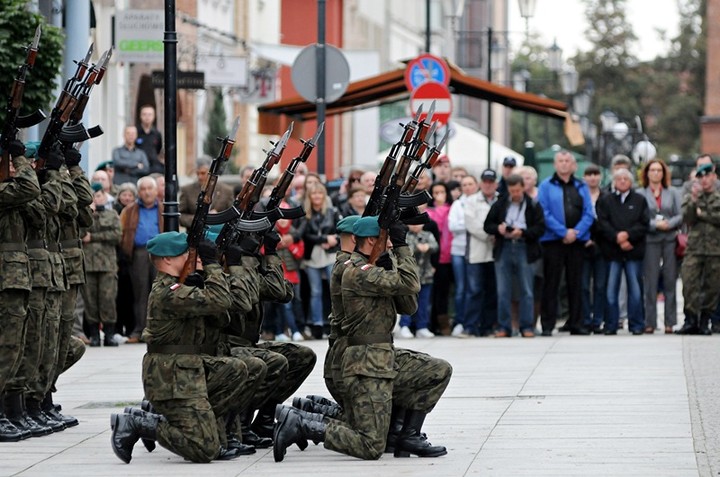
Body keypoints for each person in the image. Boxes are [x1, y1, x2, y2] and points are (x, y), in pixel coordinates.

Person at [273, 216, 451, 461]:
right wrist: (402, 248)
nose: (390, 245)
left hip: (383, 357)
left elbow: (408, 303)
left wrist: (392, 263)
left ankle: (406, 435)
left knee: (437, 370)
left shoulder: (375, 267)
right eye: (387, 240)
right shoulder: (356, 272)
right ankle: (303, 424)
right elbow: (411, 282)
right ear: (371, 240)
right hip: (366, 365)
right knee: (370, 444)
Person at [110, 232, 250, 463]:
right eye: (184, 253)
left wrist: (204, 279)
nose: (189, 256)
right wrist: (213, 266)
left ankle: (199, 423)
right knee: (205, 450)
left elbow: (223, 316)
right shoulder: (167, 292)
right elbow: (220, 300)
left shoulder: (180, 286)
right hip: (169, 377)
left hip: (187, 370)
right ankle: (141, 423)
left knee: (236, 369)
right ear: (166, 260)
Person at [0, 140, 41, 441]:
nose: (16, 168)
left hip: (15, 276)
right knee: (8, 346)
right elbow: (30, 189)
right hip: (6, 276)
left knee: (16, 346)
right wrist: (20, 159)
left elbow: (39, 214)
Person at [537, 149, 595, 336]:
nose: (563, 164)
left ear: (573, 165)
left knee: (575, 283)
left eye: (567, 161)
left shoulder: (581, 186)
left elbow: (589, 213)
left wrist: (576, 233)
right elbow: (544, 212)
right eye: (560, 161)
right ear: (555, 165)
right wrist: (563, 232)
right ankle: (547, 324)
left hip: (576, 242)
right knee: (551, 283)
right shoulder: (545, 185)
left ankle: (576, 323)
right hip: (553, 241)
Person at [484, 174, 545, 338]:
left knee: (526, 289)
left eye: (518, 190)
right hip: (504, 247)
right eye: (513, 191)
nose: (516, 193)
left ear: (523, 188)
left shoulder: (532, 204)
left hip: (524, 247)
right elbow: (487, 225)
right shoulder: (501, 203)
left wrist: (523, 232)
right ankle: (504, 326)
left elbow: (540, 228)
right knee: (503, 290)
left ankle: (527, 326)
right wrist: (499, 229)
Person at [596, 168, 649, 335]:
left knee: (635, 290)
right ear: (614, 182)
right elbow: (602, 223)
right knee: (611, 290)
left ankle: (637, 324)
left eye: (626, 178)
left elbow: (644, 223)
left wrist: (628, 236)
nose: (623, 181)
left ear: (631, 182)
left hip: (633, 250)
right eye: (620, 179)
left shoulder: (640, 200)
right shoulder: (606, 200)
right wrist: (617, 237)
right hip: (613, 252)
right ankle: (611, 324)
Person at [637, 159, 682, 334]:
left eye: (659, 170)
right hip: (650, 240)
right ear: (647, 173)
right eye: (652, 170)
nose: (656, 173)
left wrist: (669, 224)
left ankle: (670, 322)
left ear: (664, 173)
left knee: (670, 280)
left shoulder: (672, 192)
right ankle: (650, 322)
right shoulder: (641, 193)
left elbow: (681, 214)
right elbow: (639, 217)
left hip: (670, 239)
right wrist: (655, 225)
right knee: (650, 282)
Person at [677, 163, 720, 335]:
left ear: (713, 177)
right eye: (700, 177)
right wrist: (695, 203)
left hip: (715, 249)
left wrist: (704, 215)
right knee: (689, 284)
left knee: (712, 287)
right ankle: (691, 320)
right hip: (694, 248)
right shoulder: (691, 197)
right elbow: (687, 218)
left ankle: (705, 320)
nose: (704, 180)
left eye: (707, 176)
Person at [119, 176, 163, 342]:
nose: (146, 192)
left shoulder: (164, 209)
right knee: (140, 293)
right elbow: (121, 232)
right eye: (143, 189)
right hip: (138, 253)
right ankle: (139, 330)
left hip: (160, 253)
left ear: (156, 190)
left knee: (159, 292)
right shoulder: (129, 210)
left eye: (149, 188)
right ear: (139, 192)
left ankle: (157, 330)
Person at [80, 183, 122, 346]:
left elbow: (117, 235)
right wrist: (89, 211)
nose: (96, 199)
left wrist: (94, 237)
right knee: (90, 300)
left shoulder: (112, 214)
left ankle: (109, 334)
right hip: (89, 263)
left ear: (104, 196)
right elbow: (81, 233)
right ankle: (94, 335)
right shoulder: (84, 215)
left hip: (107, 263)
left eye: (98, 196)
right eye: (93, 197)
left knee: (108, 299)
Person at [298, 183, 341, 339]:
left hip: (330, 254)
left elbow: (340, 230)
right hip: (312, 256)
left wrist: (333, 239)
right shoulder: (305, 214)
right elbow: (304, 235)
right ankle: (316, 323)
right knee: (315, 291)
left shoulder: (332, 212)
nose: (317, 196)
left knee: (333, 288)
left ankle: (334, 322)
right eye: (313, 194)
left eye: (320, 193)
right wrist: (322, 238)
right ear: (309, 197)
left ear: (324, 196)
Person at [464, 170, 499, 336]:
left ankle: (488, 326)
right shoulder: (471, 201)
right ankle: (470, 326)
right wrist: (491, 234)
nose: (488, 184)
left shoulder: (501, 199)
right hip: (477, 253)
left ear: (496, 183)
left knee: (492, 291)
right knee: (474, 291)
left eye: (491, 181)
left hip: (496, 252)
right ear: (480, 183)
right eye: (485, 181)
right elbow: (472, 225)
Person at [580, 164, 608, 334]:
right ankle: (585, 319)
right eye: (589, 174)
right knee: (583, 285)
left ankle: (598, 320)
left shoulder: (606, 197)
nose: (592, 178)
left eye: (595, 174)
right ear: (584, 177)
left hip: (601, 245)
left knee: (600, 285)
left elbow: (607, 221)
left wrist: (596, 240)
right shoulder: (580, 195)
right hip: (582, 244)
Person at [398, 223, 439, 338]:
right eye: (412, 223)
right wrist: (417, 247)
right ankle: (404, 325)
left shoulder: (427, 234)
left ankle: (422, 326)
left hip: (426, 274)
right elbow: (403, 249)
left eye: (418, 223)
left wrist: (428, 247)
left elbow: (435, 246)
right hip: (409, 275)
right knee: (408, 300)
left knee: (424, 302)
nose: (416, 226)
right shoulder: (404, 235)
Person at [448, 175, 476, 336]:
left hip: (475, 251)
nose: (467, 187)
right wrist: (469, 224)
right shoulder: (457, 204)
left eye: (470, 184)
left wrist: (465, 224)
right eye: (464, 185)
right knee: (460, 288)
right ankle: (459, 320)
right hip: (458, 250)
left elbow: (480, 224)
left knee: (473, 288)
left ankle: (471, 321)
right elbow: (453, 226)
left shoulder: (479, 202)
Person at [426, 182, 454, 336]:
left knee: (446, 291)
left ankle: (445, 323)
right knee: (434, 292)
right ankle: (432, 323)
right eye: (435, 192)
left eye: (441, 192)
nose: (438, 195)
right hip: (434, 257)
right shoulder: (429, 212)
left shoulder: (451, 209)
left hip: (449, 255)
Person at [178, 155, 235, 228]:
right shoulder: (187, 190)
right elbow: (180, 215)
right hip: (194, 234)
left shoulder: (226, 191)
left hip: (218, 234)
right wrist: (199, 219)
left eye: (203, 173)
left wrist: (217, 217)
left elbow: (232, 216)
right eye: (197, 173)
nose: (199, 177)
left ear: (211, 173)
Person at [135, 104, 164, 174]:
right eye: (144, 114)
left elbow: (158, 149)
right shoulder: (135, 132)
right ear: (140, 116)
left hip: (154, 165)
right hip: (139, 164)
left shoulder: (157, 134)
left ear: (154, 116)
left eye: (150, 114)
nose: (147, 117)